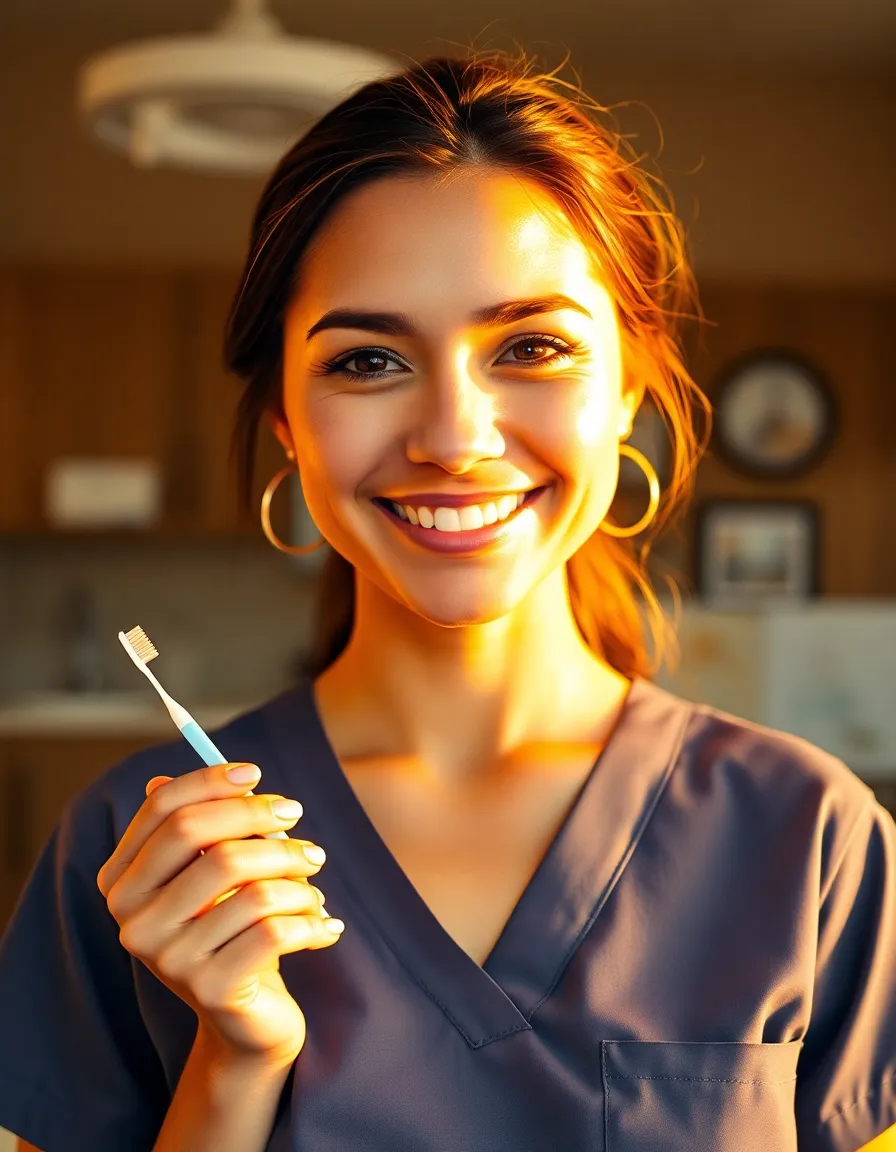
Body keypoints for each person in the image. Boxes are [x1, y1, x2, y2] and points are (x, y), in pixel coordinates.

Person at [0, 49, 894, 1152]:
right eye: (368, 361)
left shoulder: (812, 840)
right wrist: (229, 1067)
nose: (454, 439)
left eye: (532, 346)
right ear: (286, 421)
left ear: (629, 389)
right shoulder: (136, 849)